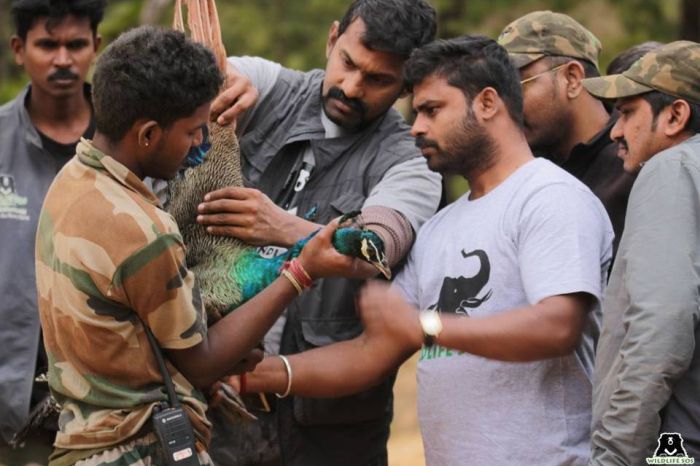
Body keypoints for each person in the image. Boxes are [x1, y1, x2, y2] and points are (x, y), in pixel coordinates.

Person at [242, 35, 614, 465]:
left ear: (488, 103)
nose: (416, 127)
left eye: (432, 110)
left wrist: (428, 325)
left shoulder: (548, 197)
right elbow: (372, 353)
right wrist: (254, 378)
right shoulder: (439, 229)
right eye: (416, 111)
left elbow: (557, 326)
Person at [35, 25, 356, 466]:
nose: (201, 145)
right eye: (191, 132)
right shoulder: (142, 229)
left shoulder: (70, 183)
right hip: (139, 450)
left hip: (80, 442)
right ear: (148, 135)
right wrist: (301, 272)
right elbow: (201, 363)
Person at [196, 1, 441, 465]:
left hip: (328, 436)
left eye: (377, 79)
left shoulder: (411, 162)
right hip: (216, 417)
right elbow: (218, 76)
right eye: (348, 63)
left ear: (407, 85)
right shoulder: (270, 88)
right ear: (332, 39)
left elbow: (377, 247)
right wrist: (216, 84)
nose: (351, 87)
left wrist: (281, 226)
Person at [582, 40, 700, 465]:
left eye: (628, 113)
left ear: (675, 115)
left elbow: (661, 324)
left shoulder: (672, 168)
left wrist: (615, 454)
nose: (615, 131)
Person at [0, 0, 104, 463]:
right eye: (47, 44)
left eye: (76, 44)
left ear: (95, 47)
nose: (63, 59)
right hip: (10, 402)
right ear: (20, 49)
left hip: (107, 403)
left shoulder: (130, 140)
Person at [498, 10, 635, 256]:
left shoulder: (634, 165)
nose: (505, 105)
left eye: (516, 86)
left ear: (572, 79)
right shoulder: (515, 174)